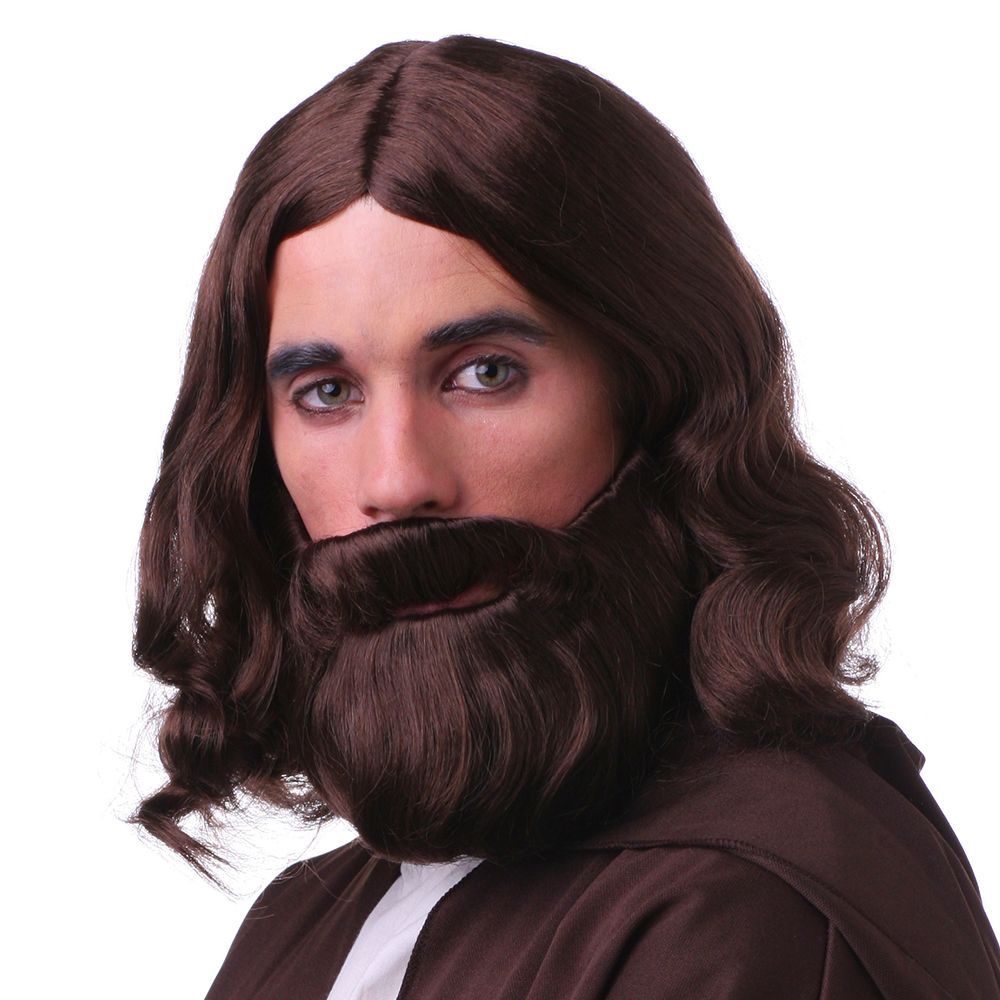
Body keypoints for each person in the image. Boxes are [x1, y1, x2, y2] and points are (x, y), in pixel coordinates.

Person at [131, 34, 1000, 999]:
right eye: (328, 393)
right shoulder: (311, 919)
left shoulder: (744, 912)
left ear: (657, 398)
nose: (398, 481)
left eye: (484, 373)